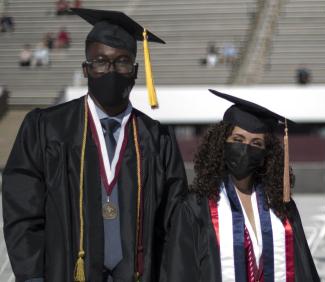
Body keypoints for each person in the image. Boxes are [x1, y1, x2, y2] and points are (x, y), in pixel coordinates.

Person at [2, 8, 187, 282]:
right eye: (100, 61)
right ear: (86, 69)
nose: (111, 70)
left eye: (122, 62)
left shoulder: (156, 139)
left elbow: (175, 221)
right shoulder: (47, 128)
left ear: (135, 71)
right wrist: (32, 275)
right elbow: (23, 209)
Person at [165, 89, 320, 281]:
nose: (246, 149)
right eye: (238, 140)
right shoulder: (195, 208)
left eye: (256, 143)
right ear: (223, 143)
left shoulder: (281, 207)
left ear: (266, 154)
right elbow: (180, 272)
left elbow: (302, 269)